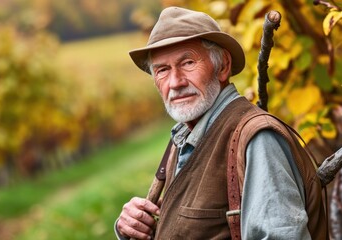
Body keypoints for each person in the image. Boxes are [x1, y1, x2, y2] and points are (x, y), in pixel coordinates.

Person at [115, 6, 328, 240]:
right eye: (162, 70)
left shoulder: (257, 138)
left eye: (187, 63)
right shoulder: (183, 137)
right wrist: (135, 227)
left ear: (223, 66)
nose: (175, 82)